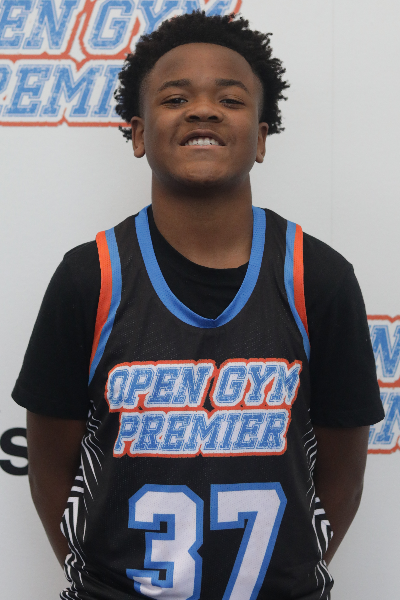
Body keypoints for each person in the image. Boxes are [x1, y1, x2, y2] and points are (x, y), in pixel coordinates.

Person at [13, 11, 384, 600]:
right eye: (176, 98)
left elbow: (343, 475)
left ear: (261, 137)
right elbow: (51, 467)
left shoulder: (319, 279)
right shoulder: (90, 278)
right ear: (138, 134)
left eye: (230, 99)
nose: (203, 110)